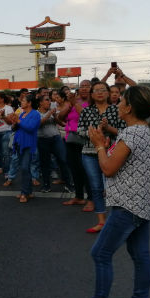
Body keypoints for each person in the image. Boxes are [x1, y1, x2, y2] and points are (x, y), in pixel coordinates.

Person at [75, 86, 150, 298]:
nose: (118, 103)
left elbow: (108, 169)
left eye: (121, 100)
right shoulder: (143, 130)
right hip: (143, 203)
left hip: (127, 207)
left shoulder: (132, 133)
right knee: (140, 256)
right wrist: (106, 144)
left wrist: (99, 146)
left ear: (129, 107)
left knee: (100, 254)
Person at [77, 82, 126, 233]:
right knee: (97, 188)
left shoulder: (116, 110)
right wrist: (94, 135)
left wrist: (108, 129)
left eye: (103, 90)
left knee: (113, 188)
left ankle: (116, 221)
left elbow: (124, 132)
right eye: (96, 90)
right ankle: (101, 221)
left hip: (112, 153)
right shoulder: (86, 111)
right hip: (90, 154)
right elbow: (79, 130)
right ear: (91, 94)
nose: (99, 93)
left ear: (108, 93)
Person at [59, 80, 92, 209]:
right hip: (71, 138)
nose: (84, 88)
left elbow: (85, 116)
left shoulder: (92, 102)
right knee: (75, 169)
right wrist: (69, 105)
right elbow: (61, 117)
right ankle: (79, 196)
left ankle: (91, 199)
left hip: (86, 140)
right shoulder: (73, 102)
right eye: (82, 86)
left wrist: (73, 103)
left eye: (87, 86)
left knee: (87, 170)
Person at [36, 95, 73, 193]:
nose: (49, 102)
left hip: (56, 138)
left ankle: (68, 184)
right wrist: (49, 114)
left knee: (63, 160)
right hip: (42, 140)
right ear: (40, 102)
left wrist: (55, 116)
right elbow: (38, 124)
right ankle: (46, 185)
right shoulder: (36, 113)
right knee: (45, 163)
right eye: (47, 100)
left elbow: (60, 123)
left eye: (49, 100)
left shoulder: (52, 111)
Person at [10, 94, 41, 203]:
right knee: (25, 168)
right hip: (19, 144)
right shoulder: (22, 113)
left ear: (29, 103)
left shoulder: (35, 114)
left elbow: (30, 128)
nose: (21, 102)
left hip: (28, 144)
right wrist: (14, 123)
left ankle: (24, 192)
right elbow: (16, 129)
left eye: (23, 101)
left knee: (24, 168)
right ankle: (28, 191)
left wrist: (18, 121)